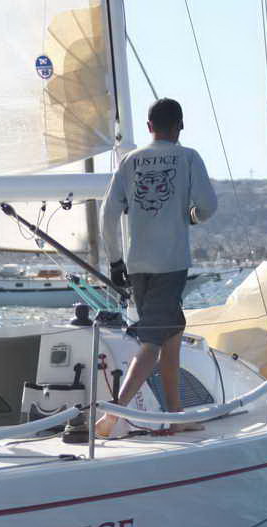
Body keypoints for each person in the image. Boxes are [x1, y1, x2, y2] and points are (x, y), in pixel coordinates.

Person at [95, 98, 217, 438]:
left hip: (137, 264)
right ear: (181, 125)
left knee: (172, 332)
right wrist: (192, 216)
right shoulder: (188, 157)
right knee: (151, 342)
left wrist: (115, 260)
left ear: (149, 127)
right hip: (170, 264)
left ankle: (176, 417)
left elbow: (107, 214)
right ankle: (112, 416)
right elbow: (208, 206)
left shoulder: (129, 161)